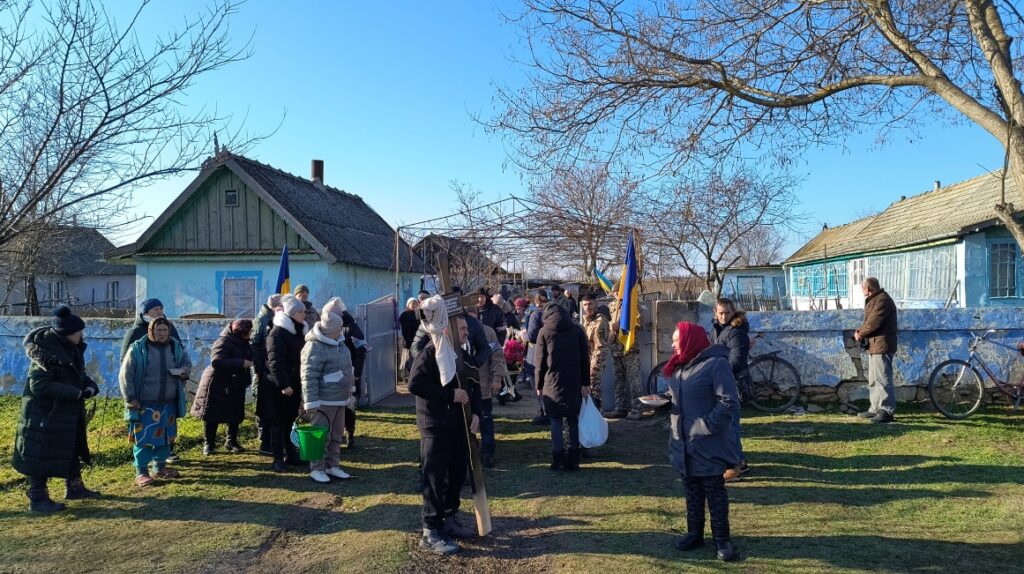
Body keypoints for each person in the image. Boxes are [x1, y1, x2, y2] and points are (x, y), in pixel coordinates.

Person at [408, 298, 481, 556]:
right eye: (462, 329)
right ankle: (431, 531)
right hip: (435, 426)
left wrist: (476, 415)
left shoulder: (461, 354)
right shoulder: (431, 352)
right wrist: (449, 396)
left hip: (459, 426)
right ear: (448, 328)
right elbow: (415, 385)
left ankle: (449, 518)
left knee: (457, 473)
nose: (467, 332)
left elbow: (473, 385)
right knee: (435, 479)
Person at [665, 322, 740, 562]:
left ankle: (722, 541)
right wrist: (664, 399)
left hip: (707, 443)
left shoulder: (716, 364)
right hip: (683, 443)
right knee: (692, 491)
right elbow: (684, 395)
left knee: (714, 493)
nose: (673, 344)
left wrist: (703, 426)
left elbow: (729, 402)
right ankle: (694, 534)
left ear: (689, 340)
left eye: (676, 339)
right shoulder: (681, 364)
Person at [13, 306, 101, 513]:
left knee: (71, 447)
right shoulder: (44, 353)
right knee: (39, 454)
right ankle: (37, 498)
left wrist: (89, 386)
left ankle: (75, 488)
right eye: (79, 331)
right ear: (67, 333)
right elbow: (39, 386)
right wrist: (75, 393)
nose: (82, 334)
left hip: (65, 413)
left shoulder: (72, 349)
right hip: (43, 414)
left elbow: (77, 374)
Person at [119, 317, 192, 487]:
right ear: (151, 331)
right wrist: (130, 398)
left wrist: (182, 372)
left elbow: (186, 364)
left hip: (169, 403)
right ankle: (142, 472)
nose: (162, 333)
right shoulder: (138, 348)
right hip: (145, 404)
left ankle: (160, 468)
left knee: (166, 437)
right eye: (158, 330)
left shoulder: (175, 347)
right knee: (143, 439)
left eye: (165, 330)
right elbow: (125, 375)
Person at [120, 298, 184, 463]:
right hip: (145, 395)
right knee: (145, 431)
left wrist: (181, 374)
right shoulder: (135, 334)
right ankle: (142, 468)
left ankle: (163, 461)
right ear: (145, 312)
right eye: (156, 309)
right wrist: (131, 394)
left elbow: (180, 355)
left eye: (161, 308)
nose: (159, 311)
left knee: (166, 427)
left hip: (167, 394)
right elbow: (125, 365)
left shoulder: (170, 329)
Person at [301, 307, 355, 483]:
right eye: (339, 327)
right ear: (332, 328)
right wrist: (311, 402)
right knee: (321, 436)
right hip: (323, 401)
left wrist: (350, 391)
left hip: (340, 399)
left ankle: (332, 465)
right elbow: (309, 376)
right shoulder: (314, 346)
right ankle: (317, 468)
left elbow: (347, 369)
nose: (342, 330)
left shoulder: (340, 343)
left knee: (336, 435)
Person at [536, 303, 590, 471]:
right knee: (573, 419)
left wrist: (538, 385)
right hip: (573, 381)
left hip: (552, 382)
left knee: (555, 420)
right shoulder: (577, 330)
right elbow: (584, 358)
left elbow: (540, 362)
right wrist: (585, 383)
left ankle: (558, 459)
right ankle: (574, 459)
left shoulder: (544, 332)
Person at [192, 319, 254, 456]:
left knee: (235, 412)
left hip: (236, 382)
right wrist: (241, 363)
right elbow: (217, 361)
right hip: (217, 383)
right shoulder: (223, 341)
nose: (250, 334)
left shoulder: (244, 342)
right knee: (212, 413)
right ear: (239, 332)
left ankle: (231, 441)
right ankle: (209, 444)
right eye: (248, 332)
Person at [710, 298, 751, 482]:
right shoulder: (718, 329)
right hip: (721, 382)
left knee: (731, 425)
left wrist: (716, 373)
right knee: (727, 425)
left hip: (732, 384)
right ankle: (740, 461)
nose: (724, 316)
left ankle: (736, 467)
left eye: (727, 312)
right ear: (715, 313)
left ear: (733, 312)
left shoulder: (736, 332)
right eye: (721, 313)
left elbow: (736, 361)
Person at [265, 294, 307, 472]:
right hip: (279, 386)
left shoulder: (299, 331)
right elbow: (275, 361)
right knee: (278, 422)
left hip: (295, 381)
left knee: (290, 420)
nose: (304, 315)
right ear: (291, 313)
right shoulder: (277, 333)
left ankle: (290, 453)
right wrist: (284, 385)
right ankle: (277, 459)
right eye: (300, 312)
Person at [465, 305, 508, 468]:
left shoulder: (488, 332)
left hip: (482, 388)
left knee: (485, 420)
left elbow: (497, 358)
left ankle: (488, 453)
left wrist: (497, 378)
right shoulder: (459, 332)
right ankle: (470, 453)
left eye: (473, 316)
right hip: (464, 389)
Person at [323, 297, 367, 448]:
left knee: (349, 406)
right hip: (332, 374)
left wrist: (357, 373)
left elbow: (361, 351)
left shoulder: (351, 327)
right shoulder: (325, 327)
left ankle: (350, 433)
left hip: (350, 372)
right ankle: (335, 435)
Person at [854, 277, 898, 424]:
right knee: (874, 379)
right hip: (875, 345)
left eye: (862, 288)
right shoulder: (877, 298)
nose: (862, 291)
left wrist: (860, 333)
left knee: (883, 378)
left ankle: (886, 410)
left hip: (882, 344)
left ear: (869, 288)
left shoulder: (883, 299)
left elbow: (873, 322)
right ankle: (875, 408)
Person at [253, 294, 283, 456]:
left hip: (270, 370)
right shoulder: (262, 321)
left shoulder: (272, 319)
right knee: (264, 406)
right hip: (264, 371)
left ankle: (271, 439)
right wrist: (259, 368)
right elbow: (255, 345)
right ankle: (264, 438)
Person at [608, 297, 644, 420]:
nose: (616, 294)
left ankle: (637, 409)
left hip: (629, 348)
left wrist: (622, 327)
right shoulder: (612, 305)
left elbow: (638, 324)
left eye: (618, 291)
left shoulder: (633, 304)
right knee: (618, 380)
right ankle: (620, 408)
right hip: (615, 348)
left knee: (634, 380)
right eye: (614, 292)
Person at [525, 290, 550, 425]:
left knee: (537, 384)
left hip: (535, 354)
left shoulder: (536, 314)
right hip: (550, 354)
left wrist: (523, 335)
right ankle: (549, 410)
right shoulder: (552, 314)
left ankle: (544, 411)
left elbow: (532, 336)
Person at [581, 294, 609, 411]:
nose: (588, 307)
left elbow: (601, 347)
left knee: (594, 389)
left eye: (590, 304)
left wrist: (594, 366)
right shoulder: (587, 319)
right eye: (585, 305)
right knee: (590, 389)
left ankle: (597, 415)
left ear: (596, 303)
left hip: (596, 360)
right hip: (588, 359)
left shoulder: (600, 321)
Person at [399, 297, 421, 379]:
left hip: (418, 341)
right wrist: (410, 342)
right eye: (412, 303)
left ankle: (415, 376)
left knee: (416, 360)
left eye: (416, 303)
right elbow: (405, 330)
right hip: (408, 341)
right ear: (408, 305)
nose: (414, 305)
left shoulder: (419, 313)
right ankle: (407, 376)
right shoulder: (405, 315)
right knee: (407, 361)